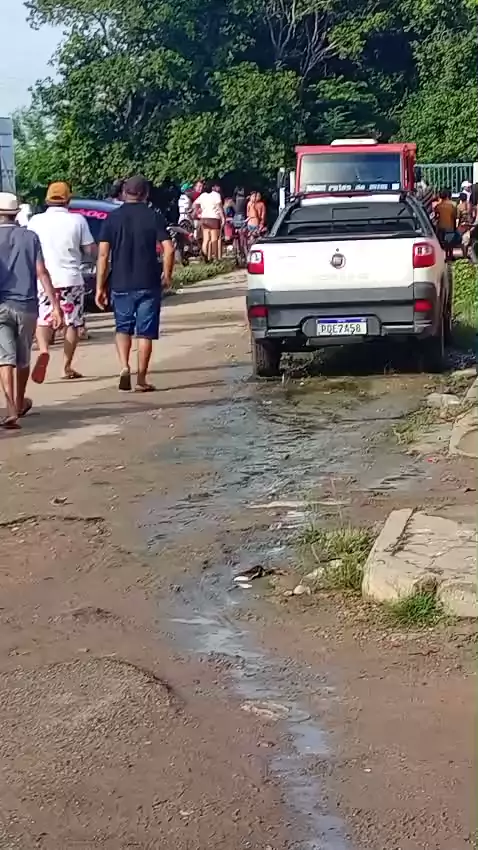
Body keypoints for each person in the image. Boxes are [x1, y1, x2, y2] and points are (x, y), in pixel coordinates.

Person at [95, 174, 174, 393]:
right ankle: (141, 379)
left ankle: (124, 366)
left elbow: (103, 255)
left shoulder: (112, 218)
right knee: (145, 332)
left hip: (120, 282)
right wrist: (167, 275)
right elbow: (169, 249)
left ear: (124, 193)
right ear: (145, 194)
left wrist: (100, 286)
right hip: (148, 281)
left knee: (123, 328)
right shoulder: (153, 216)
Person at [0, 192, 62, 427]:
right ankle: (19, 401)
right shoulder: (30, 237)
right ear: (15, 214)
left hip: (1, 305)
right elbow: (41, 272)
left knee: (4, 358)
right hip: (27, 305)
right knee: (22, 357)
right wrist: (55, 306)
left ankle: (10, 408)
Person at [28, 181, 96, 381]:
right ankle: (66, 367)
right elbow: (90, 249)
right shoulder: (78, 220)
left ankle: (43, 350)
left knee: (43, 318)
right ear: (68, 199)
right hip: (71, 278)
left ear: (47, 199)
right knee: (72, 322)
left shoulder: (35, 221)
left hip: (43, 279)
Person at [194, 180, 224, 262]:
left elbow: (195, 204)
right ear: (212, 187)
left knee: (206, 239)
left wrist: (198, 213)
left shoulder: (202, 195)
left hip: (204, 218)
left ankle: (205, 256)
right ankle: (215, 258)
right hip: (214, 218)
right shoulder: (216, 195)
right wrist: (223, 218)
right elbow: (219, 207)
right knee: (214, 239)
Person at [434, 188, 458, 261]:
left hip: (441, 226)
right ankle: (450, 255)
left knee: (444, 242)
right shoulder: (452, 206)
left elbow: (436, 216)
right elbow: (455, 216)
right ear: (448, 196)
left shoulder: (438, 206)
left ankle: (446, 255)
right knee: (450, 242)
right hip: (450, 225)